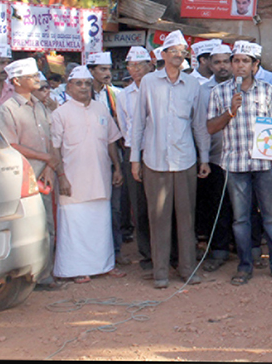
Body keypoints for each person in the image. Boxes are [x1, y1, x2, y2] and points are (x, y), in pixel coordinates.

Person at [130, 30, 210, 289]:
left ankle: (187, 269)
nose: (178, 55)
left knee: (186, 219)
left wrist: (204, 158)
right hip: (154, 160)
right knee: (159, 218)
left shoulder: (193, 85)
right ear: (162, 55)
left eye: (182, 51)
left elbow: (199, 125)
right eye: (173, 51)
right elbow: (139, 123)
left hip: (185, 158)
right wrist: (135, 159)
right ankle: (160, 272)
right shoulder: (149, 83)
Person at [207, 41, 272, 286]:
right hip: (235, 165)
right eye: (236, 60)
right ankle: (245, 266)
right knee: (240, 219)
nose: (240, 65)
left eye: (245, 61)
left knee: (271, 218)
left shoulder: (267, 91)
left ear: (255, 65)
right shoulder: (219, 92)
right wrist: (230, 112)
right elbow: (211, 127)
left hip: (265, 164)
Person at [50, 66, 127, 284]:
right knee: (75, 225)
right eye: (79, 83)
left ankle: (104, 265)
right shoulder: (60, 114)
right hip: (72, 180)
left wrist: (118, 168)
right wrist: (61, 176)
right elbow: (54, 148)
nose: (84, 87)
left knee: (100, 223)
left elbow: (111, 141)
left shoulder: (101, 109)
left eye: (86, 83)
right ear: (69, 86)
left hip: (100, 177)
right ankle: (76, 269)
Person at [0, 57, 62, 290]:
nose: (37, 80)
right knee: (26, 227)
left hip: (44, 174)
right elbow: (11, 145)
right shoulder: (7, 109)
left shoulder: (40, 106)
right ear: (16, 80)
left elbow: (51, 138)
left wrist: (50, 167)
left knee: (47, 226)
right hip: (22, 178)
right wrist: (47, 160)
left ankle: (45, 274)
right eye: (32, 77)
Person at [195, 44, 236, 272]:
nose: (222, 66)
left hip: (241, 158)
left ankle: (244, 247)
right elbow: (201, 127)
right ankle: (219, 249)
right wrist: (203, 158)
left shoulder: (242, 87)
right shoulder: (201, 91)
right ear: (209, 64)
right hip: (214, 157)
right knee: (216, 206)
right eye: (217, 62)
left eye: (225, 61)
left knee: (244, 206)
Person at [87, 51, 130, 260]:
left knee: (115, 207)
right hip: (88, 158)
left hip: (113, 156)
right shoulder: (80, 94)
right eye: (102, 69)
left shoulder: (116, 94)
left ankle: (115, 251)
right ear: (91, 71)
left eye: (109, 69)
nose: (107, 74)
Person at [117, 46, 154, 270]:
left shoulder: (159, 89)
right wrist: (134, 157)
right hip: (135, 152)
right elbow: (125, 128)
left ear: (150, 65)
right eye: (132, 65)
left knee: (160, 205)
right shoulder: (123, 95)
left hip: (158, 151)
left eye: (140, 65)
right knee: (139, 206)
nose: (136, 69)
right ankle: (147, 254)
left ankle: (168, 252)